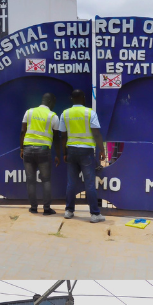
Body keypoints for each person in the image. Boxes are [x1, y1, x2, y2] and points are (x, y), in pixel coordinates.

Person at [59, 89, 106, 222]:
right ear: (83, 98)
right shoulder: (90, 113)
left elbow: (63, 135)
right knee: (89, 183)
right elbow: (96, 133)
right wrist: (102, 150)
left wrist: (65, 153)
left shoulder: (65, 113)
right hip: (86, 151)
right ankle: (95, 214)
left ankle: (68, 211)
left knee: (71, 182)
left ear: (71, 99)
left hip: (72, 150)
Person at [20, 93, 60, 215]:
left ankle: (33, 208)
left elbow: (23, 131)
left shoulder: (29, 112)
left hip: (27, 149)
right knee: (46, 180)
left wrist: (21, 148)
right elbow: (57, 138)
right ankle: (47, 209)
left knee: (30, 180)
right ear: (50, 102)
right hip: (43, 150)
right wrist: (58, 155)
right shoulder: (53, 116)